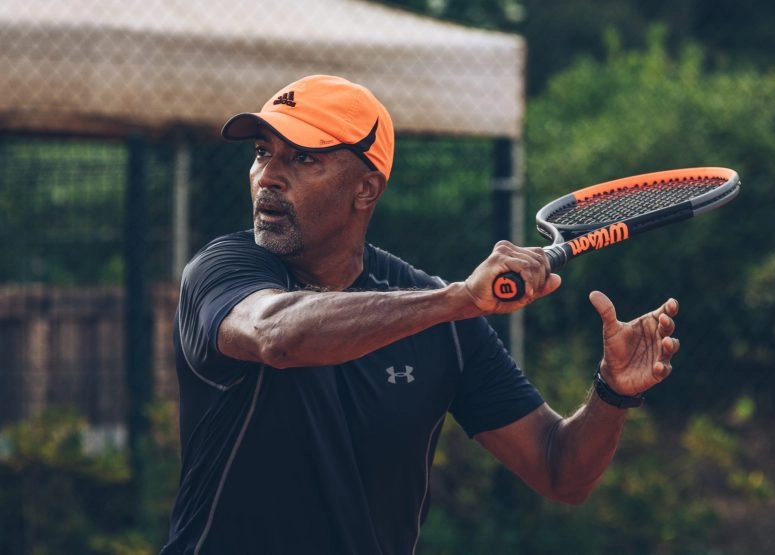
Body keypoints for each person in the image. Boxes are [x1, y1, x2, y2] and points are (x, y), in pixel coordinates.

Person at [160, 74, 680, 555]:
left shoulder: (443, 325)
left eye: (303, 159)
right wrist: (458, 300)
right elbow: (277, 335)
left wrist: (613, 392)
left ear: (366, 188)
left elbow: (559, 470)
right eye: (261, 153)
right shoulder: (222, 270)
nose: (268, 176)